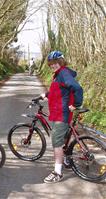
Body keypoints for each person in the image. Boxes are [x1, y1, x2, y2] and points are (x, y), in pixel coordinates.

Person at [40, 51, 83, 183]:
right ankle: (66, 159)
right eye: (51, 64)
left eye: (56, 63)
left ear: (62, 62)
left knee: (57, 143)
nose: (53, 65)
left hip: (61, 114)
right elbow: (59, 90)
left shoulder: (63, 73)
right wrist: (46, 94)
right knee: (63, 138)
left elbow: (77, 88)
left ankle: (57, 172)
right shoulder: (58, 75)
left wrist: (76, 104)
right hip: (57, 112)